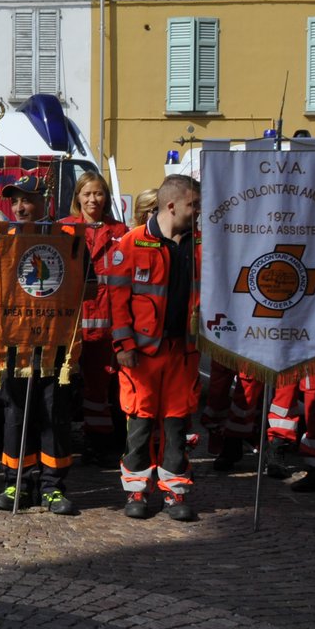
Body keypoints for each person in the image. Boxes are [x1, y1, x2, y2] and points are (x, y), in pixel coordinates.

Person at [105, 173, 202, 522]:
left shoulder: (201, 244)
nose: (198, 211)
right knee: (140, 426)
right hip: (141, 355)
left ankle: (175, 493)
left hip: (184, 352)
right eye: (193, 205)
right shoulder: (130, 245)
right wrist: (123, 344)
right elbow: (116, 302)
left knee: (177, 427)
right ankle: (136, 491)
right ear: (172, 204)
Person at [0, 172, 78, 515]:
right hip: (15, 345)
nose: (20, 207)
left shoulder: (67, 238)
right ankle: (17, 484)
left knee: (54, 415)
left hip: (54, 346)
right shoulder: (2, 238)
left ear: (45, 202)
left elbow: (89, 285)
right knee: (15, 415)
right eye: (14, 201)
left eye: (27, 199)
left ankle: (52, 487)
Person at [58, 171, 128, 465]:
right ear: (77, 197)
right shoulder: (63, 228)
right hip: (69, 322)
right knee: (62, 386)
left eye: (98, 193)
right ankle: (59, 442)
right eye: (86, 193)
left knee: (99, 387)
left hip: (105, 321)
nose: (92, 199)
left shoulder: (121, 231)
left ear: (106, 197)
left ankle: (98, 443)